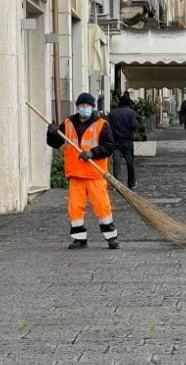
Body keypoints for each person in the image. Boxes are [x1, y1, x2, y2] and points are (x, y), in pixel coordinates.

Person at [46, 92, 119, 250]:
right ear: (77, 107)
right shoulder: (67, 124)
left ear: (92, 107)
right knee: (75, 208)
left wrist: (92, 153)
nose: (84, 108)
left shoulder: (101, 125)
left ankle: (111, 238)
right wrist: (51, 132)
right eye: (81, 106)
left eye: (87, 106)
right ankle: (79, 239)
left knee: (102, 206)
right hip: (75, 174)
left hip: (94, 173)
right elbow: (55, 143)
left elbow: (109, 147)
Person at [107, 94, 139, 189]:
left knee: (117, 162)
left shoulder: (112, 113)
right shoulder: (131, 113)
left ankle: (118, 184)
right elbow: (134, 126)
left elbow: (108, 126)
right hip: (127, 140)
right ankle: (131, 183)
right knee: (130, 162)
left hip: (115, 141)